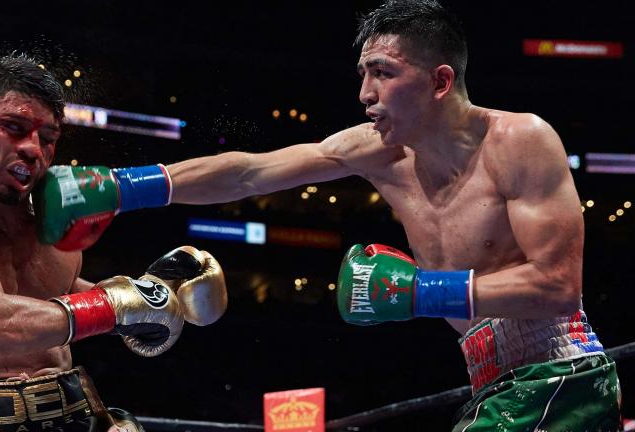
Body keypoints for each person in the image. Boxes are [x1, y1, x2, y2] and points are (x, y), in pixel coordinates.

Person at [36, 1, 622, 429]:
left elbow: (557, 285)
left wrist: (420, 294)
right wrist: (123, 187)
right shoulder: (377, 150)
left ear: (441, 81)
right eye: (363, 74)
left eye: (384, 73)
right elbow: (250, 172)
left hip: (558, 377)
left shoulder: (519, 139)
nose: (365, 92)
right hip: (493, 383)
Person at [0, 53, 228, 432]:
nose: (33, 149)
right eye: (13, 127)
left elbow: (58, 299)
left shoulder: (49, 218)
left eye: (47, 138)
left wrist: (161, 295)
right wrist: (117, 307)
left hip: (79, 407)